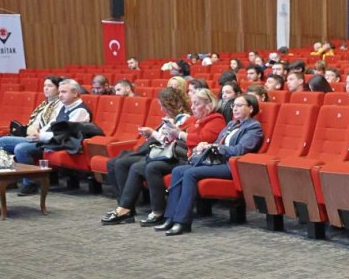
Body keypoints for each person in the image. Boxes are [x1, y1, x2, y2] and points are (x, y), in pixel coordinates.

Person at [102, 87, 223, 227]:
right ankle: (125, 208)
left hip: (190, 159)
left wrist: (178, 134)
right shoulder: (193, 119)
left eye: (197, 104)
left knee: (152, 167)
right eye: (192, 103)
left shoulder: (216, 120)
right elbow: (173, 137)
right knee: (137, 166)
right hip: (177, 154)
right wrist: (170, 133)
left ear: (208, 105)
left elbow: (202, 138)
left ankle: (157, 211)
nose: (192, 107)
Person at [154, 94, 264, 236]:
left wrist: (216, 148)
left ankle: (182, 222)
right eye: (234, 105)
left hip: (231, 166)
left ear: (251, 108)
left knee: (190, 173)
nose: (235, 109)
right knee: (178, 171)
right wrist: (206, 145)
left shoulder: (253, 127)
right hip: (217, 161)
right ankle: (170, 218)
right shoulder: (232, 124)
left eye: (239, 105)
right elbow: (217, 142)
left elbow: (240, 150)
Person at [12, 79, 92, 196]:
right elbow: (51, 124)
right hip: (46, 139)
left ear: (75, 93)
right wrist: (38, 133)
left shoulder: (80, 111)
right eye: (59, 92)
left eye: (64, 92)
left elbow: (66, 133)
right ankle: (7, 179)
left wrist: (41, 136)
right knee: (2, 142)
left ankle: (30, 184)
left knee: (21, 148)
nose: (60, 95)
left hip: (59, 143)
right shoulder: (64, 107)